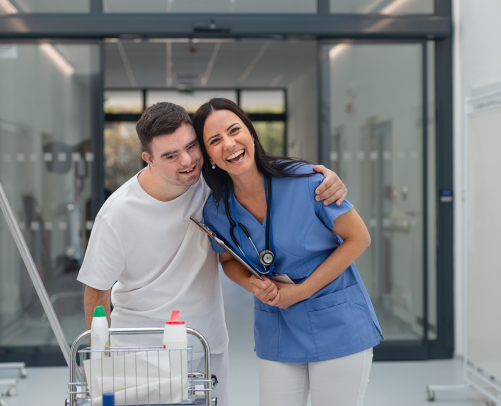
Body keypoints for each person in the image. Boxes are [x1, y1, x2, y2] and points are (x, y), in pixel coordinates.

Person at [77, 102, 348, 406]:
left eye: (192, 146)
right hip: (139, 350)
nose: (188, 161)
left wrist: (326, 178)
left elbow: (264, 178)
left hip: (203, 346)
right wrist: (102, 360)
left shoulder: (211, 184)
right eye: (170, 155)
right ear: (148, 159)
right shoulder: (116, 214)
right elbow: (97, 290)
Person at [192, 98, 384, 406]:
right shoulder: (216, 210)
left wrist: (302, 291)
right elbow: (227, 260)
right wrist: (250, 283)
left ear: (251, 134)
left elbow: (358, 238)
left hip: (337, 322)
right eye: (215, 140)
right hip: (277, 326)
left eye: (234, 130)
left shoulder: (306, 180)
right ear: (209, 156)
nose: (228, 143)